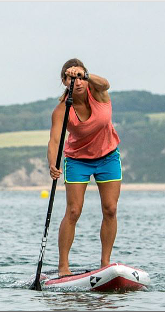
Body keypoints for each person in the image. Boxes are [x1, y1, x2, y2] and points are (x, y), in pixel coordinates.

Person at [48, 58, 121, 276]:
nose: (77, 82)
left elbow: (106, 83)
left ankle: (105, 262)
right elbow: (54, 140)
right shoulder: (62, 109)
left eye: (80, 76)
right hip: (77, 159)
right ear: (64, 81)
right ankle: (64, 267)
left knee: (110, 208)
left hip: (108, 156)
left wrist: (84, 74)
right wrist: (53, 163)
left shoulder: (98, 92)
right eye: (72, 77)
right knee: (73, 210)